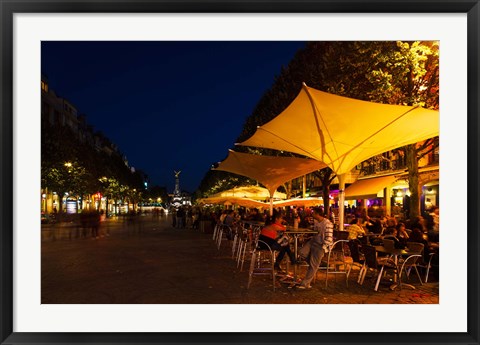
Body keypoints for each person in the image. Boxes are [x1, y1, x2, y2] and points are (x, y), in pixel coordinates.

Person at [296, 207, 334, 290]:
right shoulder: (316, 221)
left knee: (313, 265)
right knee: (301, 252)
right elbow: (313, 230)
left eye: (313, 213)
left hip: (320, 245)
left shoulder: (327, 224)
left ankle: (305, 283)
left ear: (317, 214)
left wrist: (323, 247)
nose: (311, 214)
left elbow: (329, 239)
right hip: (313, 241)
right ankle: (316, 264)